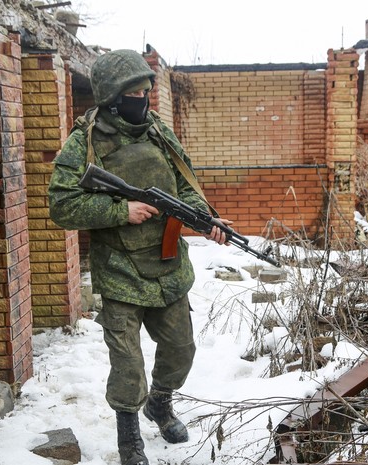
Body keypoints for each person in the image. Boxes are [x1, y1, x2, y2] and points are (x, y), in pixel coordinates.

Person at [47, 49, 231, 465]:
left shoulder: (158, 133)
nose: (144, 99)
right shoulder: (85, 142)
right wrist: (119, 211)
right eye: (135, 93)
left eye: (147, 91)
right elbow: (61, 205)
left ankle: (160, 403)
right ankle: (129, 435)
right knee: (128, 362)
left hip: (167, 266)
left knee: (181, 349)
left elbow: (187, 186)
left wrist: (206, 219)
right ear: (113, 97)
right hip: (119, 271)